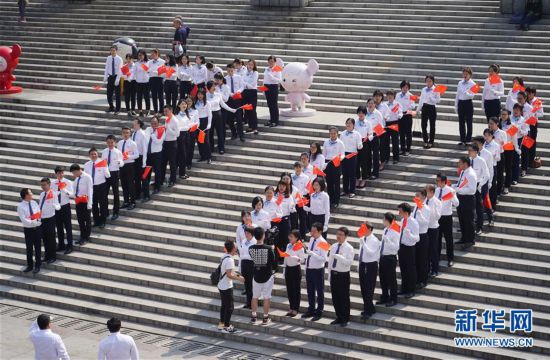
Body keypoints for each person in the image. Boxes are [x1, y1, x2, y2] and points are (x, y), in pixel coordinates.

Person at [248, 227, 278, 325]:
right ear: (263, 235)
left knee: (255, 297)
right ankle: (265, 318)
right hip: (267, 276)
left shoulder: (250, 248)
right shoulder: (269, 248)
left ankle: (253, 316)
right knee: (266, 297)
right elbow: (273, 262)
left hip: (256, 275)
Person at [328, 226, 354, 327]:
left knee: (343, 297)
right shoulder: (334, 246)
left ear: (345, 236)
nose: (338, 236)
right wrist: (329, 273)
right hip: (334, 274)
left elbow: (348, 263)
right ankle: (338, 316)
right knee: (335, 297)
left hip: (343, 275)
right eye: (337, 234)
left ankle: (345, 318)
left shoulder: (349, 248)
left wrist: (340, 257)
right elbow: (330, 261)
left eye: (341, 235)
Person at [302, 222, 328, 321]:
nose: (311, 233)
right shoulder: (312, 239)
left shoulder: (324, 242)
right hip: (309, 269)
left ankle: (319, 311)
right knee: (310, 291)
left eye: (314, 231)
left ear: (320, 231)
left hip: (318, 270)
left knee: (320, 291)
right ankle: (311, 309)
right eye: (311, 230)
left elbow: (324, 259)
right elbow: (309, 255)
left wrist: (312, 253)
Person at [217, 240, 245, 333]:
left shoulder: (225, 256)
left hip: (221, 285)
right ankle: (227, 326)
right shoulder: (230, 260)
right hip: (226, 286)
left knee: (224, 306)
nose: (236, 249)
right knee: (230, 307)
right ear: (233, 249)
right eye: (236, 248)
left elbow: (229, 272)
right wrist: (239, 278)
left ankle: (221, 324)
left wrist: (237, 275)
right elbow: (229, 274)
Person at [357, 221, 380, 320]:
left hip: (371, 265)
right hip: (363, 264)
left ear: (370, 229)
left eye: (364, 229)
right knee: (363, 288)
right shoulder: (363, 238)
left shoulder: (374, 240)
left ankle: (368, 310)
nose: (362, 230)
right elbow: (360, 252)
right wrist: (359, 264)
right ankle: (369, 307)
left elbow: (371, 253)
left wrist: (364, 244)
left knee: (369, 288)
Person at [206, 81, 236, 154]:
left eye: (215, 86)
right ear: (209, 87)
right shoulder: (205, 95)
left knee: (220, 132)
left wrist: (231, 109)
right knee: (210, 133)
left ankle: (221, 148)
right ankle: (211, 148)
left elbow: (223, 105)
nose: (215, 87)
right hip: (209, 115)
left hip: (218, 114)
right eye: (213, 86)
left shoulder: (218, 95)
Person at [435, 173, 459, 268]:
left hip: (447, 217)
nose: (436, 182)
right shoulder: (436, 190)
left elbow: (457, 204)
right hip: (437, 217)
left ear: (443, 181)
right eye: (436, 180)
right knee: (438, 239)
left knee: (449, 239)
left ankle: (450, 258)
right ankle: (437, 257)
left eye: (438, 181)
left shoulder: (450, 190)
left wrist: (452, 196)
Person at [376, 213, 400, 308]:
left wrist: (388, 241)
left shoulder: (395, 232)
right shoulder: (385, 230)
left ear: (387, 220)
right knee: (383, 278)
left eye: (384, 219)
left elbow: (396, 247)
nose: (382, 220)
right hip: (383, 257)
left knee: (391, 279)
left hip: (390, 257)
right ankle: (384, 296)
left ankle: (393, 298)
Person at [397, 202, 419, 298]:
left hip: (409, 248)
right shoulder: (402, 221)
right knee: (403, 269)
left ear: (406, 212)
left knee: (410, 269)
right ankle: (404, 288)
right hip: (401, 247)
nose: (399, 213)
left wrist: (409, 234)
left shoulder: (413, 222)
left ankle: (411, 290)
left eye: (400, 211)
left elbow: (417, 238)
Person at [17, 188, 42, 273]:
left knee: (38, 247)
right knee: (29, 248)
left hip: (37, 229)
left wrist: (37, 221)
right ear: (26, 195)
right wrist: (33, 222)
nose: (32, 194)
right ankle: (30, 265)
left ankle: (38, 265)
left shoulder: (34, 202)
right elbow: (23, 219)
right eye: (30, 193)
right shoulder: (20, 206)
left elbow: (38, 213)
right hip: (29, 230)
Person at [454, 157, 478, 246]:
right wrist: (454, 187)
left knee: (468, 220)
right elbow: (461, 184)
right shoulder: (463, 172)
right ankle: (464, 238)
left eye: (460, 163)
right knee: (462, 220)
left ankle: (470, 240)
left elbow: (472, 189)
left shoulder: (471, 174)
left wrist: (458, 190)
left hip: (467, 199)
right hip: (461, 198)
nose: (458, 165)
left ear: (465, 164)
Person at [467, 143, 490, 235]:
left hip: (477, 185)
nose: (469, 152)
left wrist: (480, 185)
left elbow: (487, 175)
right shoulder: (467, 160)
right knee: (468, 208)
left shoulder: (481, 161)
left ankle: (479, 227)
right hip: (468, 186)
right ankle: (469, 227)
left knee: (479, 207)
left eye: (470, 151)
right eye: (468, 150)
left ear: (476, 152)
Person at [85, 148, 110, 228]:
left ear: (97, 154)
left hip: (101, 186)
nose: (93, 155)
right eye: (92, 154)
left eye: (95, 154)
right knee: (94, 204)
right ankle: (96, 221)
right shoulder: (87, 164)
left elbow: (108, 175)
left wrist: (105, 169)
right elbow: (86, 177)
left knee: (102, 204)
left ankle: (103, 221)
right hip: (92, 187)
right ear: (89, 155)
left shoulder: (102, 162)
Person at [473, 136, 495, 225]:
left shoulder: (487, 154)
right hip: (475, 181)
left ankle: (490, 217)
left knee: (485, 200)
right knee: (477, 203)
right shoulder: (473, 154)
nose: (474, 145)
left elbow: (490, 169)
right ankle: (478, 220)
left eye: (476, 143)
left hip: (484, 181)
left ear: (481, 144)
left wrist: (490, 181)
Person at [52, 166, 74, 254]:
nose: (60, 175)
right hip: (57, 207)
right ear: (56, 174)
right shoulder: (53, 183)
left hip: (65, 206)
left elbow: (72, 195)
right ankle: (61, 245)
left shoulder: (68, 182)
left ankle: (69, 245)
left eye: (62, 173)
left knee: (68, 227)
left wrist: (64, 190)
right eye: (58, 173)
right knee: (59, 227)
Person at [38, 177, 60, 264]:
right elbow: (40, 205)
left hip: (50, 219)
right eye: (42, 185)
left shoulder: (53, 194)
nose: (43, 187)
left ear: (49, 184)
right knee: (45, 239)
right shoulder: (42, 194)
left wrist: (56, 206)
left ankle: (53, 256)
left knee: (51, 239)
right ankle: (47, 256)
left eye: (44, 185)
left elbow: (58, 205)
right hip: (42, 219)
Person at [412, 188, 431, 288]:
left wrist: (420, 216)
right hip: (415, 235)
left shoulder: (426, 208)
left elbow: (426, 223)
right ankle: (417, 279)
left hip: (422, 235)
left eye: (418, 195)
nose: (416, 197)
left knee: (422, 259)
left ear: (423, 196)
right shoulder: (416, 207)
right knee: (416, 259)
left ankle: (423, 280)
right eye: (416, 195)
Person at [284, 230, 305, 317]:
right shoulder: (288, 245)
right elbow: (285, 257)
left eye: (292, 237)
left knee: (296, 289)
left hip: (295, 269)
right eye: (289, 236)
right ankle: (291, 307)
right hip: (288, 268)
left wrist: (295, 257)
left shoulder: (300, 246)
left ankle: (296, 308)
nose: (290, 238)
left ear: (296, 238)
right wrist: (284, 270)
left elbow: (302, 260)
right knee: (289, 289)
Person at [70, 164, 93, 245]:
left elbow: (90, 190)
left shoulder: (87, 177)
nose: (74, 174)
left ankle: (86, 236)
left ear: (79, 170)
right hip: (78, 201)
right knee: (80, 220)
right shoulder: (76, 179)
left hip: (85, 201)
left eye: (74, 172)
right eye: (73, 173)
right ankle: (82, 236)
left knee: (87, 220)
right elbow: (75, 191)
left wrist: (90, 203)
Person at [102, 135, 124, 221]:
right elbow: (103, 162)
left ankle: (116, 212)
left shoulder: (118, 152)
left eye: (112, 142)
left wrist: (119, 162)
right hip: (106, 174)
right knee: (104, 194)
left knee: (116, 193)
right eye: (108, 142)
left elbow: (122, 162)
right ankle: (105, 211)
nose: (110, 144)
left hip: (114, 173)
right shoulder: (104, 151)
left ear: (115, 143)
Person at [143, 117, 165, 200]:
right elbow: (145, 139)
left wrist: (153, 136)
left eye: (155, 123)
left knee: (157, 170)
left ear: (158, 123)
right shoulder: (148, 129)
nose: (153, 125)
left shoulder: (161, 130)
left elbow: (159, 141)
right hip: (149, 154)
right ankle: (145, 188)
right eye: (152, 123)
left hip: (157, 154)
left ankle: (157, 187)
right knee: (147, 171)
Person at [322, 126, 345, 207]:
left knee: (336, 183)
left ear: (337, 134)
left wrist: (340, 158)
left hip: (336, 163)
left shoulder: (340, 143)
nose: (332, 135)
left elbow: (342, 154)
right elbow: (324, 154)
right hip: (328, 163)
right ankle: (331, 200)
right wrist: (323, 163)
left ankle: (336, 201)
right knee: (329, 183)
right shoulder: (326, 142)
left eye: (334, 133)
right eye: (331, 133)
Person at [340, 118, 363, 198]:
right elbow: (340, 144)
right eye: (347, 123)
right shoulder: (342, 134)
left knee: (352, 174)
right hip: (344, 155)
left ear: (353, 125)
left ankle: (352, 191)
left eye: (350, 123)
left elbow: (359, 145)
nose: (348, 124)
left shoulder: (357, 134)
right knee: (345, 173)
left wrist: (360, 146)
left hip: (352, 154)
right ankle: (345, 190)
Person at [417, 74, 441, 149]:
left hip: (431, 107)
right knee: (423, 125)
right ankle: (425, 140)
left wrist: (432, 99)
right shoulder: (424, 89)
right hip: (424, 107)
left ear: (433, 82)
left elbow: (438, 100)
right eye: (427, 81)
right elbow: (421, 100)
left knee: (432, 125)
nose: (428, 82)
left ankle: (431, 141)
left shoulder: (436, 89)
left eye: (430, 81)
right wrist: (418, 109)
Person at [499, 109, 520, 193]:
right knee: (499, 169)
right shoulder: (497, 124)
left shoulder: (512, 125)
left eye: (505, 114)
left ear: (508, 116)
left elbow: (514, 139)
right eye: (502, 114)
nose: (503, 116)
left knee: (508, 168)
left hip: (508, 149)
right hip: (499, 149)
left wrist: (516, 148)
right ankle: (499, 185)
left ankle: (507, 186)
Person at [118, 127, 139, 210]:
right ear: (121, 134)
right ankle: (126, 201)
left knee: (130, 184)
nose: (125, 134)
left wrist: (128, 156)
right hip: (122, 165)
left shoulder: (133, 143)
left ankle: (132, 202)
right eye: (124, 133)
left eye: (127, 133)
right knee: (124, 184)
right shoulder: (119, 143)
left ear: (130, 134)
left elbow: (137, 155)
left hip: (129, 165)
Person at [455, 67, 476, 145]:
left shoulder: (473, 84)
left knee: (469, 122)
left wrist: (467, 94)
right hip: (461, 103)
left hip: (468, 103)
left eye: (466, 74)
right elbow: (457, 94)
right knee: (461, 122)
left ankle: (468, 139)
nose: (465, 75)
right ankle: (462, 139)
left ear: (470, 75)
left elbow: (472, 96)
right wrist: (456, 105)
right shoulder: (460, 83)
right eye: (464, 74)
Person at [159, 105, 179, 187]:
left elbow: (177, 134)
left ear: (171, 110)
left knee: (172, 163)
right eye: (164, 111)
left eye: (166, 111)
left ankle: (172, 180)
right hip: (165, 143)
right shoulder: (167, 119)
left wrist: (168, 129)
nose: (165, 113)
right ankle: (161, 179)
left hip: (172, 143)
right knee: (163, 163)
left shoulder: (175, 120)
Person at [225, 63, 245, 141]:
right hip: (230, 99)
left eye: (232, 71)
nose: (230, 72)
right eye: (229, 71)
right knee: (230, 119)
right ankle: (234, 133)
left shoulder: (238, 77)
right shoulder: (225, 79)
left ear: (234, 70)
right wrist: (231, 94)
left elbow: (242, 86)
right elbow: (225, 89)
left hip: (238, 99)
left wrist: (238, 92)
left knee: (239, 118)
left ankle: (241, 135)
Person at [483, 128, 502, 211]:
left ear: (492, 136)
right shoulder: (483, 144)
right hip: (483, 168)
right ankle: (484, 206)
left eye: (488, 135)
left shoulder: (496, 145)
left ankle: (492, 206)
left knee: (492, 187)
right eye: (485, 135)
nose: (486, 137)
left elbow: (498, 158)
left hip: (492, 167)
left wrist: (494, 156)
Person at [365, 98, 384, 179]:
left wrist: (374, 134)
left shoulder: (378, 114)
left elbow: (381, 126)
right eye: (369, 103)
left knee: (375, 155)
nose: (370, 105)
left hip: (375, 136)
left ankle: (375, 173)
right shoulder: (364, 112)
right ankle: (368, 172)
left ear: (375, 105)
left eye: (372, 103)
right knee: (367, 155)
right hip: (366, 137)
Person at [192, 88, 213, 163]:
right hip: (197, 123)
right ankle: (203, 156)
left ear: (204, 95)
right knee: (199, 140)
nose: (200, 96)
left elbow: (210, 115)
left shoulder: (207, 103)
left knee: (206, 141)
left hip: (205, 122)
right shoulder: (194, 103)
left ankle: (209, 157)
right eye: (198, 94)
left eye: (201, 94)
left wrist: (209, 124)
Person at [238, 225, 256, 309]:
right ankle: (248, 302)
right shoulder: (244, 241)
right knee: (246, 284)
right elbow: (241, 253)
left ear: (252, 234)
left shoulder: (254, 242)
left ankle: (252, 303)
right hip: (244, 262)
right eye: (245, 232)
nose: (246, 234)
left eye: (248, 233)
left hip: (251, 263)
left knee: (251, 284)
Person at [425, 184, 442, 277]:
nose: (425, 193)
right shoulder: (424, 200)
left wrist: (430, 210)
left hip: (433, 228)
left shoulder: (437, 202)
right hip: (425, 228)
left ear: (432, 192)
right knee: (426, 250)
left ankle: (435, 269)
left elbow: (438, 216)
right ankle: (427, 269)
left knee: (433, 250)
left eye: (427, 191)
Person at [526, 87, 544, 166]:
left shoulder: (537, 101)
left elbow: (541, 113)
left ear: (533, 94)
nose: (528, 95)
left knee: (532, 141)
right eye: (527, 93)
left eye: (530, 93)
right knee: (526, 142)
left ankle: (531, 160)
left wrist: (534, 114)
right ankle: (526, 159)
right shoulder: (525, 100)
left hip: (533, 123)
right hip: (525, 123)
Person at [396, 80, 415, 156]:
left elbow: (413, 106)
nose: (405, 88)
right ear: (401, 87)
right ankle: (402, 148)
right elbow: (396, 104)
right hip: (400, 115)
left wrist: (408, 105)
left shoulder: (411, 95)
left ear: (408, 88)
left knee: (408, 133)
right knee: (401, 133)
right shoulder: (397, 95)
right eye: (403, 87)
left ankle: (408, 149)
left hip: (408, 115)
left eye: (406, 87)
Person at [292, 161, 310, 239]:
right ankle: (295, 236)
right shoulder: (291, 176)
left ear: (302, 168)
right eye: (296, 167)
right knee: (294, 219)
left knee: (302, 219)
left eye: (299, 167)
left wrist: (300, 194)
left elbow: (308, 189)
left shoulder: (306, 177)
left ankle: (302, 236)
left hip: (301, 200)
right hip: (293, 201)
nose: (298, 169)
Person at [175, 99, 192, 178]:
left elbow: (189, 124)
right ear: (178, 105)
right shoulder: (176, 116)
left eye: (185, 104)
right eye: (182, 104)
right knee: (183, 154)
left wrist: (191, 126)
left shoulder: (187, 114)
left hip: (187, 134)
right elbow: (178, 128)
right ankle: (182, 173)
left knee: (186, 153)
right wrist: (187, 127)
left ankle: (183, 172)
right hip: (180, 135)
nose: (184, 105)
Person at [355, 106, 372, 188]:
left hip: (364, 143)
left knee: (364, 162)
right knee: (357, 162)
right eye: (359, 113)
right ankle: (357, 178)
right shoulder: (355, 122)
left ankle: (364, 178)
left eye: (362, 113)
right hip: (355, 144)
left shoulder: (368, 123)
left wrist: (368, 137)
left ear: (365, 114)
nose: (361, 114)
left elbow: (370, 133)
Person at [383, 90, 402, 164]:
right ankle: (386, 158)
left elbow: (400, 112)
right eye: (388, 95)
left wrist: (399, 115)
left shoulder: (397, 104)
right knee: (386, 142)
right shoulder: (384, 104)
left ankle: (396, 158)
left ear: (394, 96)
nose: (390, 96)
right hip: (387, 123)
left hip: (394, 123)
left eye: (391, 95)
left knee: (395, 141)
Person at [373, 90, 390, 169]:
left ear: (381, 97)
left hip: (380, 128)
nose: (377, 98)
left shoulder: (384, 106)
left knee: (381, 146)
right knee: (375, 147)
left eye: (379, 96)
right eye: (376, 96)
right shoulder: (371, 105)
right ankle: (377, 161)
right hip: (372, 129)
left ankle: (382, 162)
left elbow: (388, 114)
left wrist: (386, 117)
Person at [103, 45, 122, 114]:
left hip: (116, 76)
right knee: (109, 93)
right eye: (111, 50)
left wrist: (117, 79)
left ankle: (117, 109)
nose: (112, 52)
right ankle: (111, 107)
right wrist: (105, 76)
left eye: (114, 50)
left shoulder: (119, 59)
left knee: (117, 94)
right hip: (110, 77)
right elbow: (107, 67)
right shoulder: (108, 58)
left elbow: (120, 70)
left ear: (116, 51)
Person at [263, 55, 282, 127]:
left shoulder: (277, 68)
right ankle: (271, 120)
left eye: (272, 61)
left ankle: (275, 121)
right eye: (269, 61)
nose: (271, 63)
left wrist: (272, 77)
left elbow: (279, 80)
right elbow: (264, 79)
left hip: (273, 87)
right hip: (267, 87)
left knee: (274, 104)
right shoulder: (267, 69)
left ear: (275, 62)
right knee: (269, 104)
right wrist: (263, 89)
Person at [132, 119, 148, 200]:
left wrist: (144, 161)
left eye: (134, 123)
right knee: (136, 177)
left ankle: (146, 195)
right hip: (135, 157)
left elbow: (145, 148)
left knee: (143, 177)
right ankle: (137, 194)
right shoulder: (134, 133)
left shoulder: (142, 134)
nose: (133, 124)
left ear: (138, 124)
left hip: (141, 157)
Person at [147, 49, 165, 116]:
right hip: (152, 79)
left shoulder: (162, 61)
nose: (151, 55)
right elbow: (147, 71)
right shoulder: (149, 62)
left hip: (159, 79)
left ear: (157, 54)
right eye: (151, 54)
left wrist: (157, 73)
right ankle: (155, 111)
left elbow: (164, 72)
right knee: (154, 96)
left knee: (160, 96)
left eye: (153, 54)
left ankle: (161, 111)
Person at [243, 59, 259, 134]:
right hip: (245, 92)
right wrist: (246, 84)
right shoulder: (244, 72)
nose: (250, 66)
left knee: (252, 110)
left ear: (254, 66)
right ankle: (250, 127)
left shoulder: (255, 73)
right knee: (247, 110)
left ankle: (255, 127)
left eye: (252, 65)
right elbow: (242, 81)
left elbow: (252, 85)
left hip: (252, 92)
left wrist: (245, 84)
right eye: (249, 64)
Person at [135, 49, 151, 117]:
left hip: (146, 82)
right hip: (139, 82)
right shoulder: (136, 63)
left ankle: (148, 110)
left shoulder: (149, 62)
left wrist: (147, 69)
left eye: (141, 55)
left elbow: (150, 71)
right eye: (139, 55)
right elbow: (134, 72)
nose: (140, 57)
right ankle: (140, 111)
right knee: (139, 97)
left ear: (144, 55)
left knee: (147, 97)